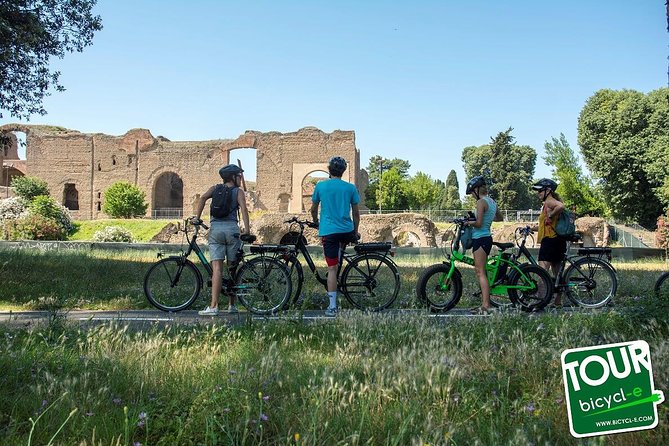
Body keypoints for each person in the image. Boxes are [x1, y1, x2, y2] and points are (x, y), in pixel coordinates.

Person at [191, 164, 250, 316]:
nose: (240, 178)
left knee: (217, 269)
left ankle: (213, 306)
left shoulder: (214, 188)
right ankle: (232, 305)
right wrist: (247, 230)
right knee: (232, 268)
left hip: (216, 229)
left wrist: (197, 218)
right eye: (239, 176)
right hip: (232, 230)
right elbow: (243, 209)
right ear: (233, 177)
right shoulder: (238, 192)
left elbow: (203, 198)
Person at [310, 156, 361, 317]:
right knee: (336, 263)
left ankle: (332, 307)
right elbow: (356, 213)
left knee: (332, 268)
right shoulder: (350, 188)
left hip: (329, 231)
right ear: (343, 171)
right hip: (346, 230)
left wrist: (316, 221)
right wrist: (355, 231)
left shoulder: (321, 186)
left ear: (329, 169)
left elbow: (313, 209)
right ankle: (338, 280)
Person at [464, 175, 503, 314]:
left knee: (480, 272)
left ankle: (486, 305)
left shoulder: (481, 202)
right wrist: (486, 218)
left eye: (472, 192)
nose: (472, 196)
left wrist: (468, 222)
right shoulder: (492, 201)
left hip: (480, 238)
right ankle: (485, 303)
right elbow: (500, 218)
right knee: (482, 271)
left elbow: (479, 223)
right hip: (487, 237)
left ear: (477, 189)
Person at [532, 178, 566, 308]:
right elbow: (545, 224)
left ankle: (540, 300)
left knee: (542, 272)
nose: (538, 193)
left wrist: (550, 215)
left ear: (548, 190)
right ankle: (557, 301)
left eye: (540, 190)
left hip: (550, 240)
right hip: (557, 240)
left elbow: (561, 207)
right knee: (557, 274)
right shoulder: (547, 203)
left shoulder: (549, 201)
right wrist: (531, 228)